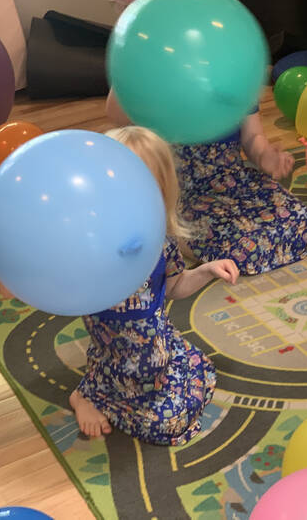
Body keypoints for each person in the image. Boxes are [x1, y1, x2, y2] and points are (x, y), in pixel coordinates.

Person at [106, 0, 307, 275]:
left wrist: (266, 156)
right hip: (183, 190)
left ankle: (185, 238)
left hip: (232, 181)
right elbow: (115, 114)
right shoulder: (162, 72)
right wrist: (139, 60)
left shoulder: (234, 76)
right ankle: (173, 236)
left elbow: (253, 138)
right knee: (239, 245)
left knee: (298, 218)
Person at [67, 126, 239, 445]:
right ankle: (86, 395)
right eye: (121, 185)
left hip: (159, 355)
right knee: (170, 423)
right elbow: (70, 291)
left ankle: (149, 385)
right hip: (116, 366)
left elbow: (173, 287)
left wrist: (206, 271)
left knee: (200, 369)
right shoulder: (93, 248)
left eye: (146, 186)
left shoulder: (160, 240)